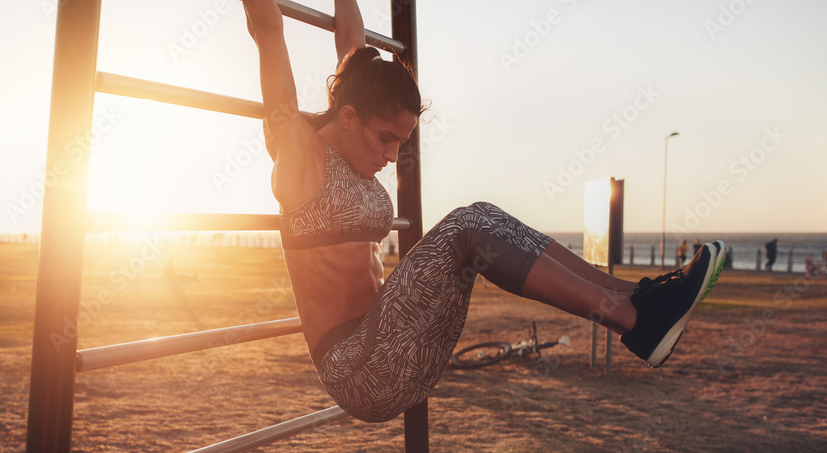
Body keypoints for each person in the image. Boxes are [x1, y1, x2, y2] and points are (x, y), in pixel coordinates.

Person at [242, 0, 725, 423]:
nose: (392, 157)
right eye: (385, 138)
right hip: (359, 370)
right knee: (468, 226)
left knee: (481, 215)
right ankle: (635, 322)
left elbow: (351, 42)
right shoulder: (297, 155)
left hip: (402, 346)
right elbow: (267, 29)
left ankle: (642, 299)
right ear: (348, 117)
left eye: (401, 141)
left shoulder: (355, 135)